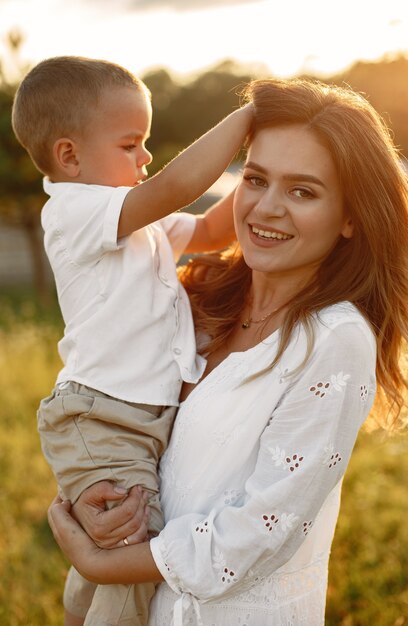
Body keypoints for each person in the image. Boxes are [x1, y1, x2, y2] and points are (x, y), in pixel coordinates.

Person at [48, 77, 408, 626]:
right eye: (256, 179)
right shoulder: (197, 299)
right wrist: (84, 504)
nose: (268, 209)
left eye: (302, 191)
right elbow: (113, 411)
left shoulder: (334, 339)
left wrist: (103, 563)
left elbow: (258, 533)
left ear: (350, 218)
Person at [12, 55, 253, 626]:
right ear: (69, 155)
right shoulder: (75, 210)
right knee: (130, 558)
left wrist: (261, 169)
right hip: (103, 416)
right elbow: (179, 185)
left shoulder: (133, 220)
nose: (146, 157)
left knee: (111, 554)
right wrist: (249, 117)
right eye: (131, 144)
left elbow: (211, 230)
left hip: (132, 417)